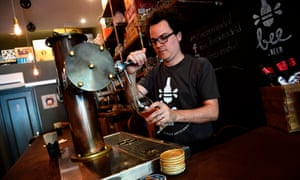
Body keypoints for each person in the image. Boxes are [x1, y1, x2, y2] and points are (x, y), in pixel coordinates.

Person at [125, 7, 220, 153]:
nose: (158, 45)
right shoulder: (154, 72)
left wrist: (173, 115)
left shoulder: (200, 66)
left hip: (200, 149)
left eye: (164, 37)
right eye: (154, 40)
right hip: (167, 150)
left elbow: (213, 111)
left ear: (178, 36)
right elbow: (133, 98)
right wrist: (130, 74)